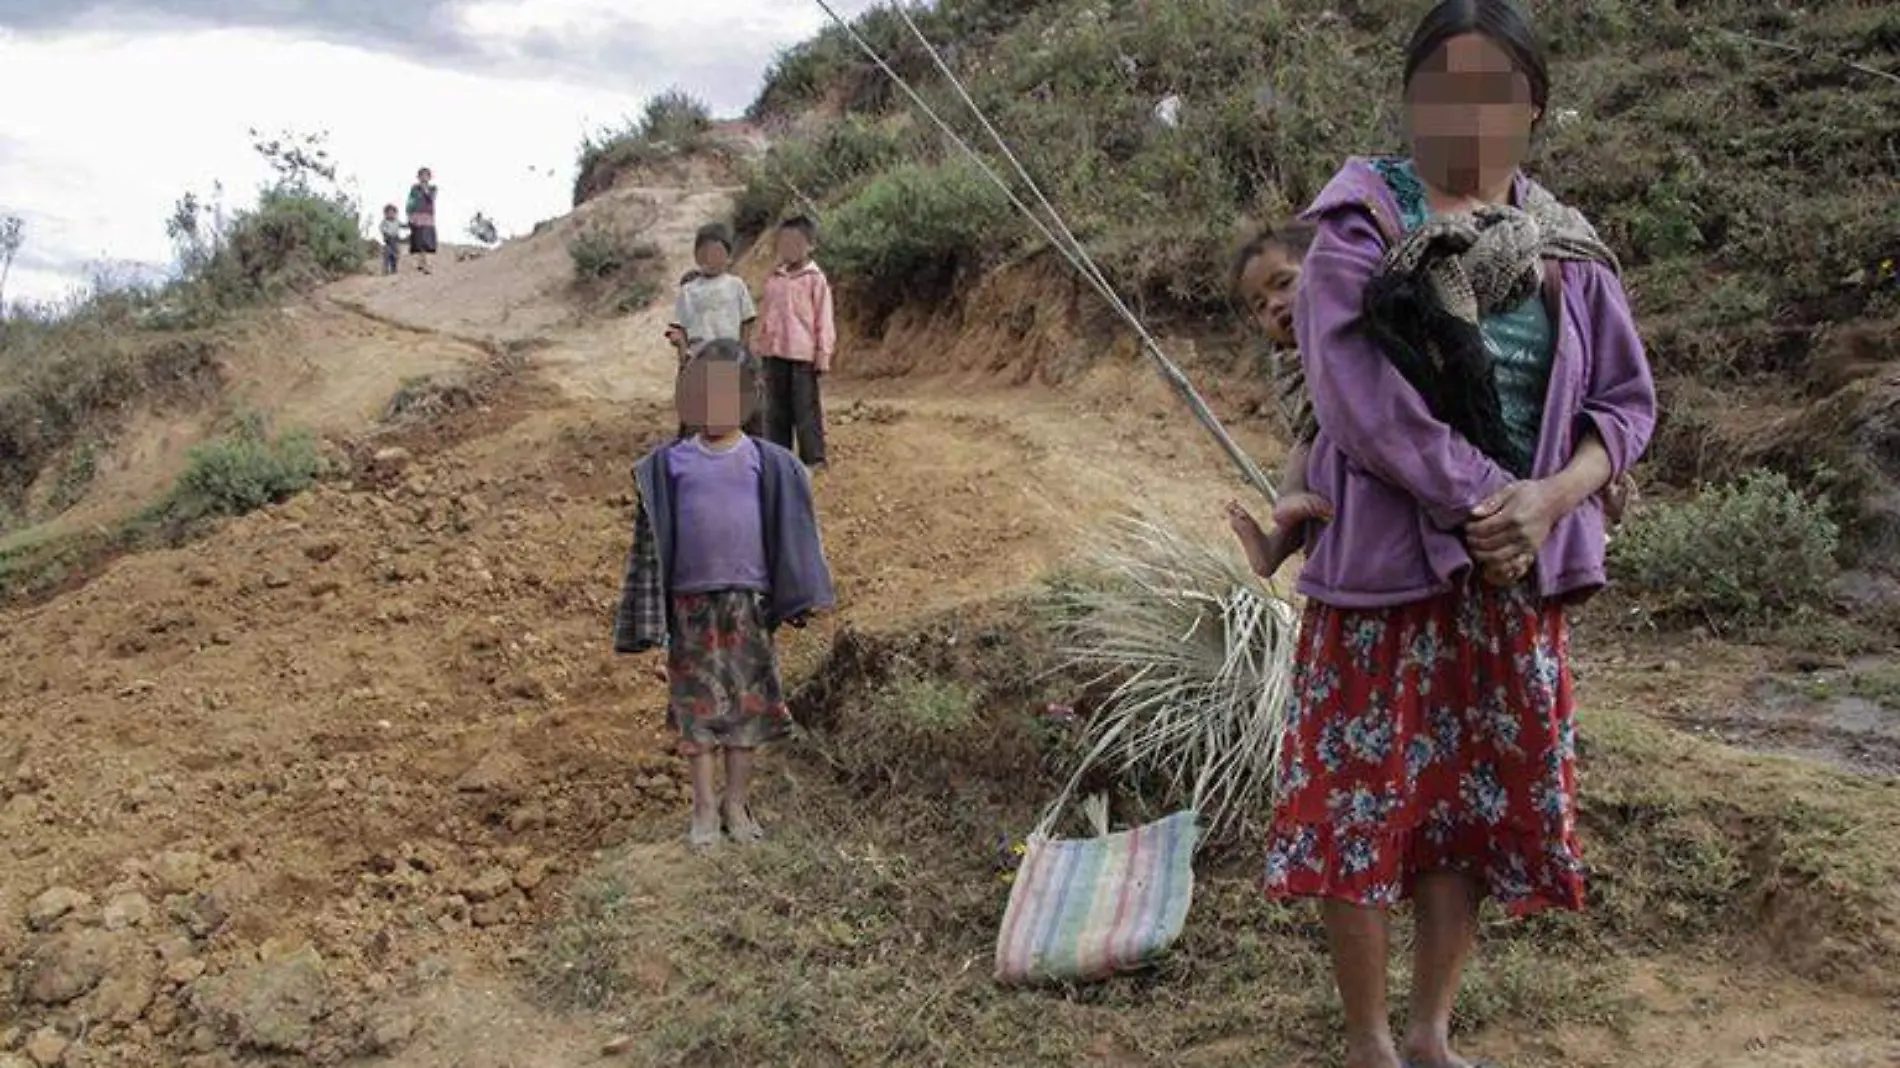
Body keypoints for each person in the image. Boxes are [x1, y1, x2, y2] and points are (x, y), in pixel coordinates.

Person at [1258, 4, 1657, 1068]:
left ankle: (1431, 1031)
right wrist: (1490, 501)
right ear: (1410, 95)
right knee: (1362, 809)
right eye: (1449, 85)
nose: (1473, 112)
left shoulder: (1567, 246)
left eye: (1499, 91)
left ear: (1532, 108)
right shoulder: (1355, 226)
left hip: (1512, 577)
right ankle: (1368, 1039)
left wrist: (1551, 501)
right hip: (1387, 575)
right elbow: (1358, 403)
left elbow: (1624, 406)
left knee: (1465, 811)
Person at [612, 339, 835, 847]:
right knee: (698, 710)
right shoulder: (669, 465)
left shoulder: (767, 461)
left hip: (748, 603)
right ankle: (704, 810)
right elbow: (650, 543)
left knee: (745, 709)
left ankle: (737, 804)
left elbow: (792, 532)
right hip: (690, 606)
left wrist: (798, 593)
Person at [1224, 221, 1334, 579]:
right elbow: (1306, 417)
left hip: (1334, 449)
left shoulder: (1343, 320)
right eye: (1259, 304)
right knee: (1306, 448)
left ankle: (1273, 549)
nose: (1274, 304)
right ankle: (1274, 539)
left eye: (1284, 283)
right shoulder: (1288, 356)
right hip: (1317, 436)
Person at [753, 215, 838, 470]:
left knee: (805, 409)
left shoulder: (815, 279)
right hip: (774, 353)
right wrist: (760, 347)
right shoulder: (775, 278)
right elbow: (766, 315)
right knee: (776, 409)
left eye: (796, 242)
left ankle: (814, 458)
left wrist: (823, 354)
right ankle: (780, 457)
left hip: (803, 355)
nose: (788, 248)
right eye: (784, 242)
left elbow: (824, 319)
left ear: (810, 245)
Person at [666, 223, 755, 363]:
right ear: (696, 256)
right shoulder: (688, 291)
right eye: (704, 253)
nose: (710, 259)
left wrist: (742, 349)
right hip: (699, 355)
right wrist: (682, 348)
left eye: (717, 253)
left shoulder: (736, 285)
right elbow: (678, 327)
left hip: (730, 354)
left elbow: (747, 320)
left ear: (728, 256)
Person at [406, 168, 438, 274]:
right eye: (421, 175)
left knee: (426, 240)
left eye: (426, 175)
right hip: (417, 216)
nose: (423, 177)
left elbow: (430, 198)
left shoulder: (433, 188)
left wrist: (425, 189)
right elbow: (410, 202)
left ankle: (426, 264)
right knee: (418, 240)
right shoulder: (414, 188)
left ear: (429, 177)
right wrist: (409, 214)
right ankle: (421, 263)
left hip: (427, 217)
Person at [378, 205, 405, 276]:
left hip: (396, 239)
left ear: (395, 213)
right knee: (387, 255)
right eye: (389, 213)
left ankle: (394, 269)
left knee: (395, 256)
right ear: (385, 214)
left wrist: (409, 224)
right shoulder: (384, 222)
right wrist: (386, 232)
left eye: (393, 213)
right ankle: (385, 270)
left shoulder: (397, 222)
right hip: (388, 240)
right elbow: (381, 228)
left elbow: (403, 225)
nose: (391, 214)